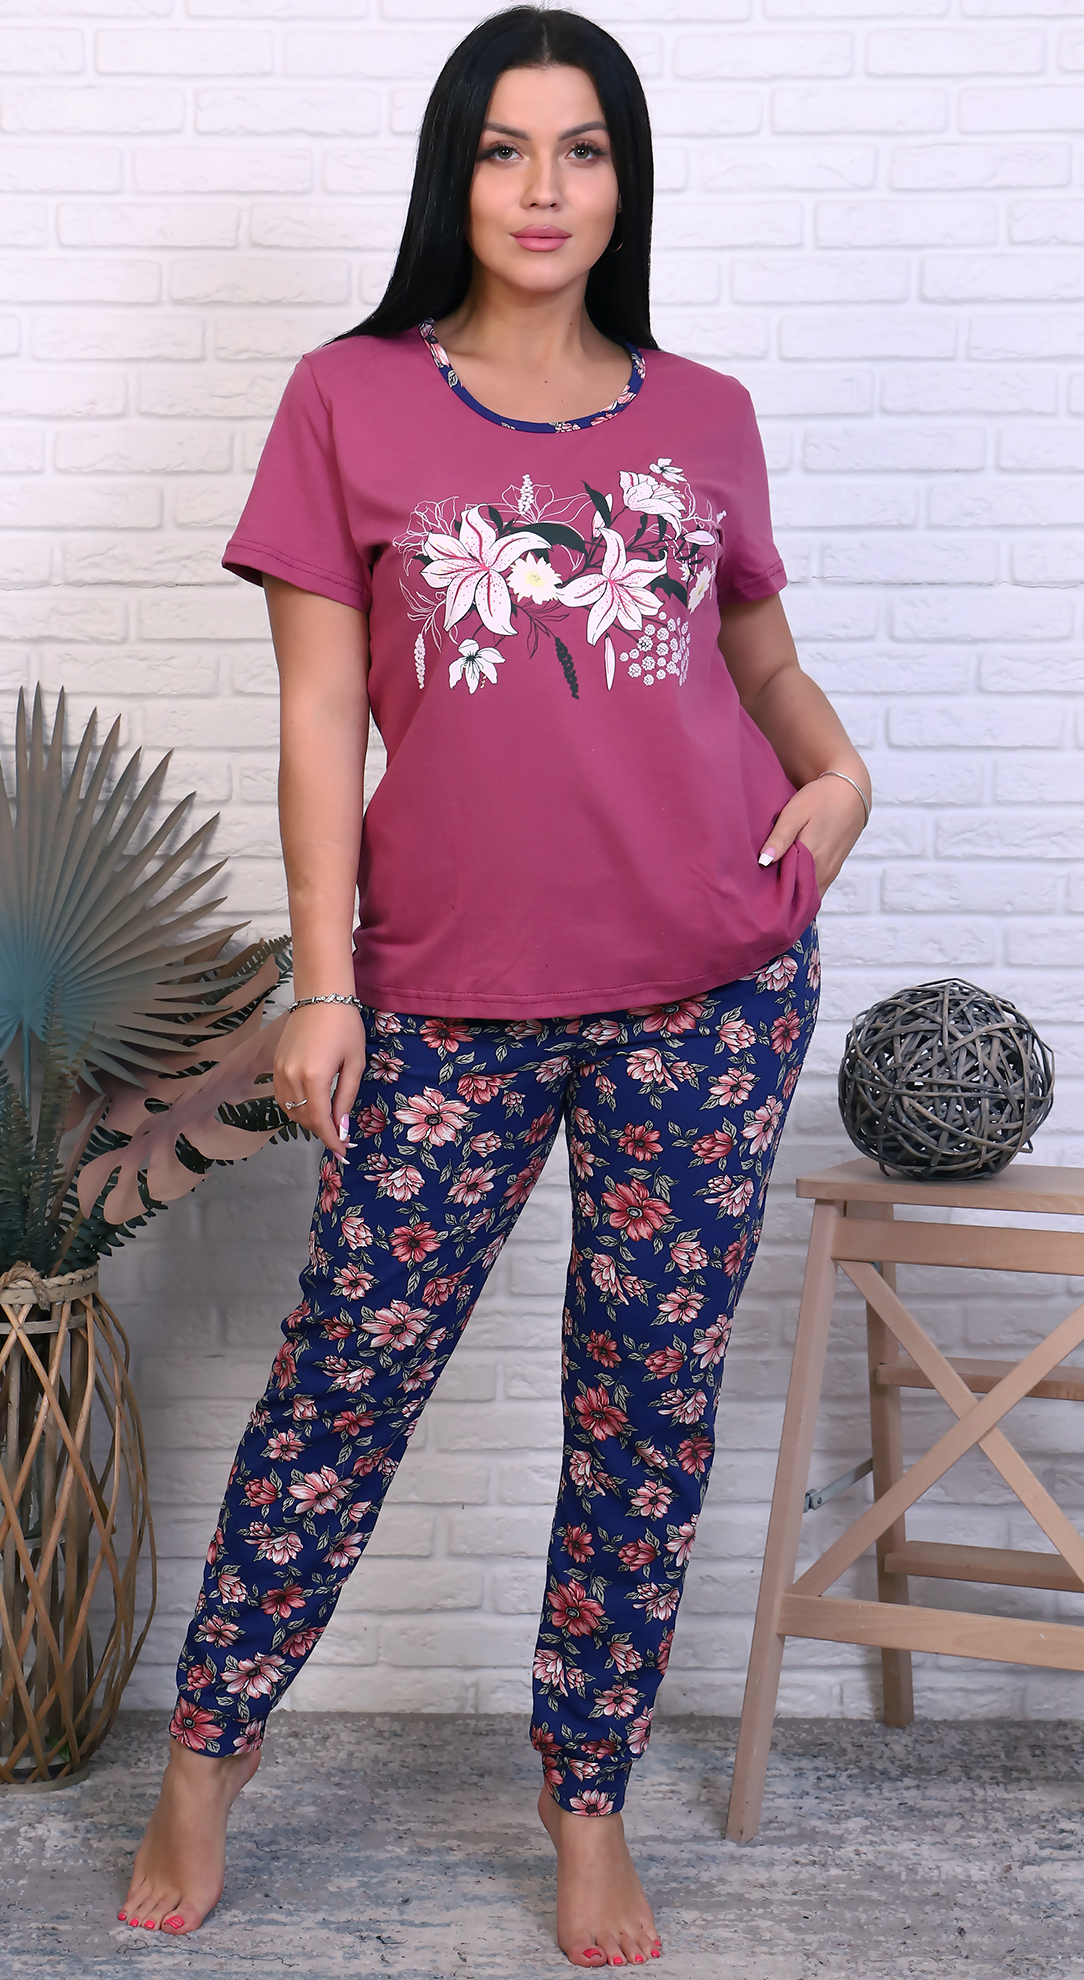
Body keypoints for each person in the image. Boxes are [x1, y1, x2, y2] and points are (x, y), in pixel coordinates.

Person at [119, 7, 870, 1966]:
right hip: (445, 1001)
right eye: (507, 149)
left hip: (711, 987)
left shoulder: (704, 411)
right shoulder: (349, 399)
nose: (547, 190)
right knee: (347, 1377)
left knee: (648, 1403)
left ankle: (587, 1793)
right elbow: (318, 716)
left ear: (626, 180)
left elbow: (761, 658)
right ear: (454, 174)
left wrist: (840, 770)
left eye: (585, 149)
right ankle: (207, 1755)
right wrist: (323, 983)